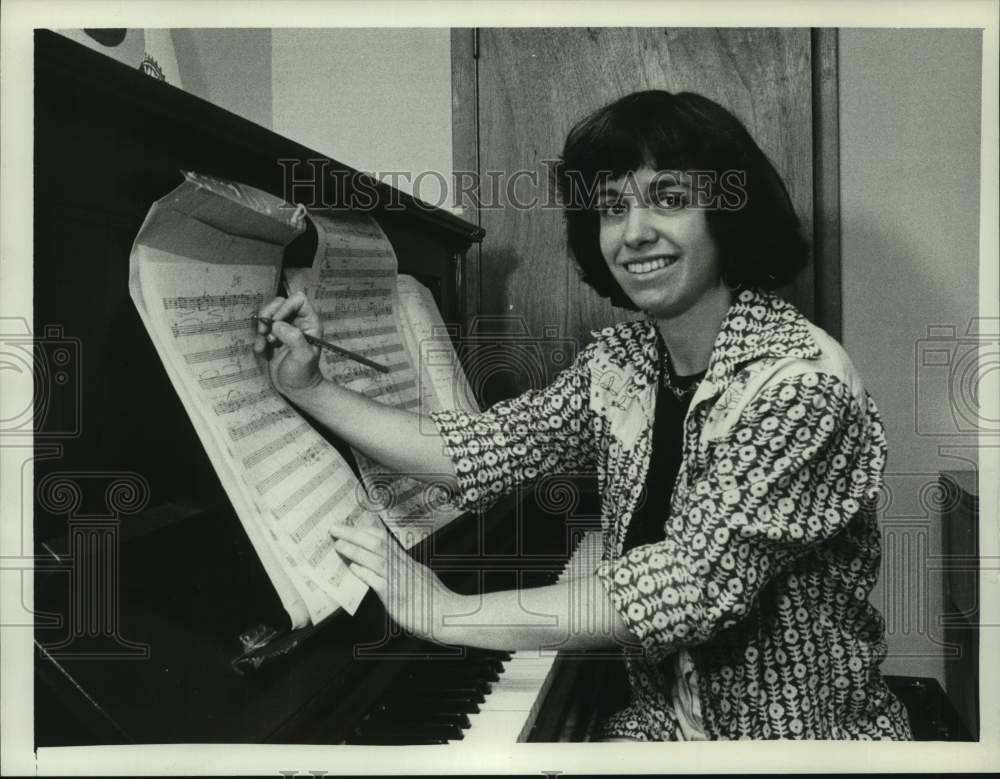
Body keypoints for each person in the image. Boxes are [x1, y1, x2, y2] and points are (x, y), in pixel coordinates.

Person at [254, 90, 913, 741]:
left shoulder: (799, 384)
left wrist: (443, 611)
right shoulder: (622, 362)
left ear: (728, 213)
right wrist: (311, 387)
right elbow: (484, 450)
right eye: (612, 207)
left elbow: (686, 584)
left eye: (671, 199)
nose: (634, 233)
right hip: (666, 725)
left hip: (792, 749)